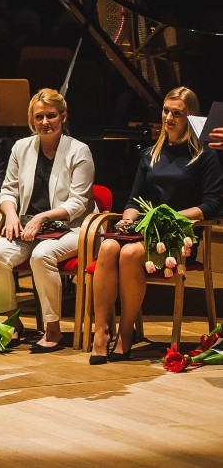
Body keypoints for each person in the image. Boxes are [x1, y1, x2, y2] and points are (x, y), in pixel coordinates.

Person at [90, 87, 223, 365]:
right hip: (144, 231)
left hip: (178, 235)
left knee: (129, 254)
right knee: (109, 247)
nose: (169, 117)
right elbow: (134, 200)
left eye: (177, 113)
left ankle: (126, 333)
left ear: (191, 118)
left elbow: (211, 204)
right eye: (166, 111)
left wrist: (171, 218)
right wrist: (128, 217)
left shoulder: (204, 156)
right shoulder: (151, 154)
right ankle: (101, 331)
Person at [0, 88, 95, 353]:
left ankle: (53, 329)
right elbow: (8, 190)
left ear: (63, 117)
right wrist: (10, 214)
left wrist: (43, 216)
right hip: (28, 227)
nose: (45, 122)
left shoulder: (80, 151)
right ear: (31, 120)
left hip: (70, 227)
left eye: (51, 116)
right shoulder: (21, 147)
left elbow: (79, 203)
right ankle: (11, 322)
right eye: (39, 117)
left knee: (41, 256)